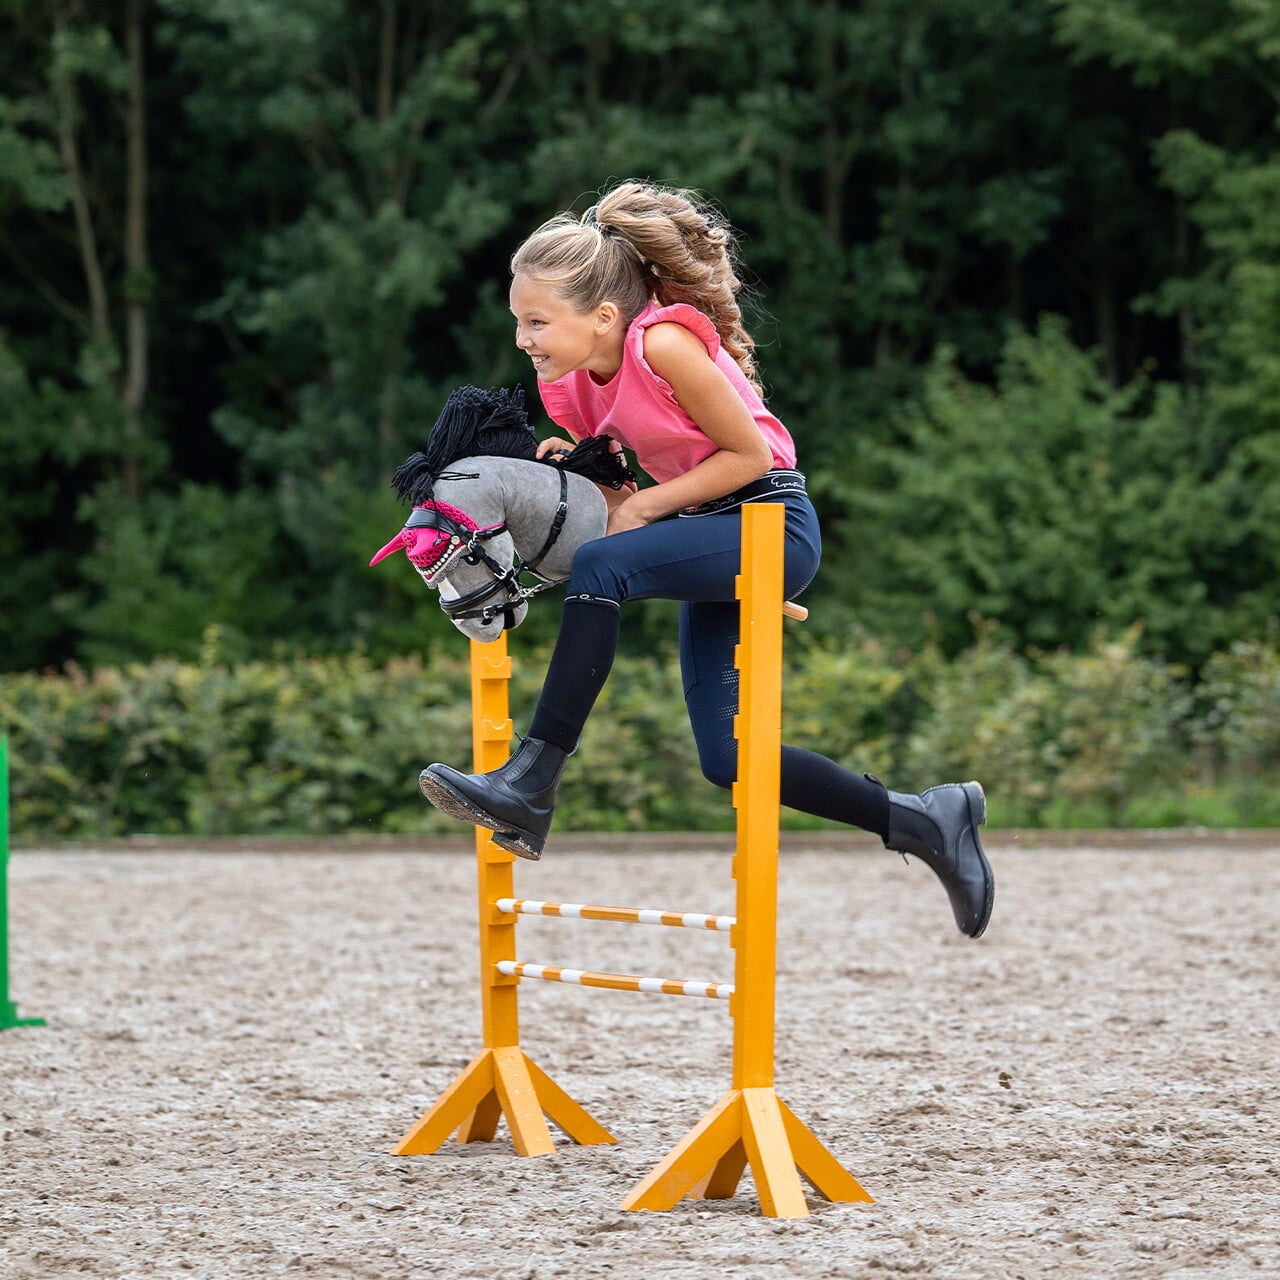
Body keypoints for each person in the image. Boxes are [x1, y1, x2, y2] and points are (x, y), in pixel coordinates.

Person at [419, 180, 994, 939]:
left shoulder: (661, 343)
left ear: (602, 317)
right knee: (728, 759)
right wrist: (578, 478)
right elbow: (623, 486)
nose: (523, 337)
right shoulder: (569, 387)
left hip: (770, 522)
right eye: (518, 321)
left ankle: (532, 779)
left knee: (602, 567)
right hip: (708, 532)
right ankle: (923, 819)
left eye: (537, 321)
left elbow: (749, 456)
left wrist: (641, 510)